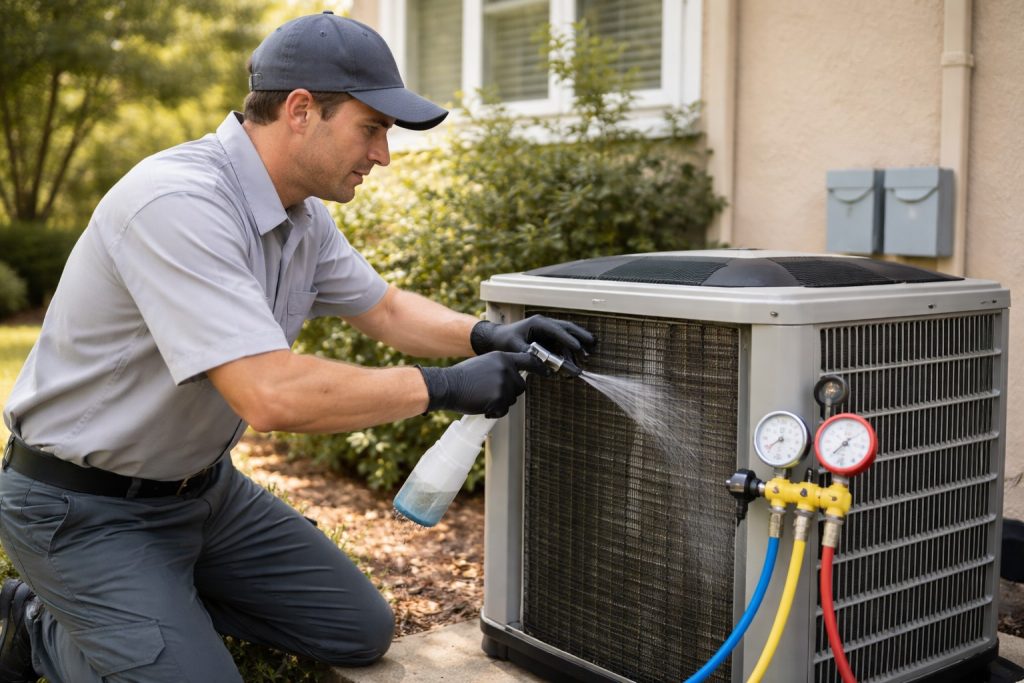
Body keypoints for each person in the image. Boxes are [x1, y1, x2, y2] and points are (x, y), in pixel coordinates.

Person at [0, 12, 594, 682]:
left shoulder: (300, 217)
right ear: (302, 110)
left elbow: (387, 307)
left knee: (357, 629)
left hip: (202, 494)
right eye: (372, 129)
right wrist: (447, 385)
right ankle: (39, 623)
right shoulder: (177, 203)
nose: (383, 155)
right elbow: (270, 394)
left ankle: (149, 613)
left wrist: (486, 333)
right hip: (85, 509)